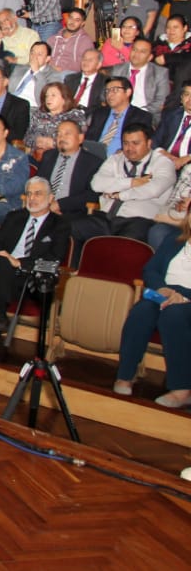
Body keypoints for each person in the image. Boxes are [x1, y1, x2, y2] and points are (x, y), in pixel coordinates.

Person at [0, 177, 71, 367]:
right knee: (1, 266)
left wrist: (18, 262)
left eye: (38, 193)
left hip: (32, 279)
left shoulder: (60, 224)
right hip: (4, 273)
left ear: (50, 198)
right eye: (30, 193)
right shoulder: (15, 217)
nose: (32, 198)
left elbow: (54, 258)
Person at [113, 219, 191, 407]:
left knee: (173, 315)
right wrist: (162, 288)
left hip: (188, 300)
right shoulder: (174, 239)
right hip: (165, 292)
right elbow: (151, 269)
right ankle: (125, 375)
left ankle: (182, 389)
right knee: (142, 311)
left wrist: (182, 297)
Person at [71, 123, 176, 260]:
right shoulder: (115, 159)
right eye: (126, 143)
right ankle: (74, 275)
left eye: (135, 143)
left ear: (149, 143)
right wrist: (131, 182)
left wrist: (120, 194)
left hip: (138, 220)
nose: (129, 148)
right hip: (105, 217)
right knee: (73, 228)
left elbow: (153, 190)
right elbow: (96, 184)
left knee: (125, 245)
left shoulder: (163, 163)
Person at [39, 119, 103, 217]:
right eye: (59, 134)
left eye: (67, 134)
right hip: (42, 209)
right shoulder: (48, 156)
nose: (62, 138)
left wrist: (60, 204)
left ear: (80, 138)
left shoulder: (93, 162)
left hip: (71, 213)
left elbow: (92, 194)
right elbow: (38, 183)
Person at [26, 81, 87, 156]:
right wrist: (37, 141)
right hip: (34, 155)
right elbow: (27, 138)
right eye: (46, 96)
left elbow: (78, 140)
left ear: (64, 98)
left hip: (61, 155)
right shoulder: (38, 114)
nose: (48, 99)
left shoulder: (75, 115)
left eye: (53, 95)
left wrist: (53, 143)